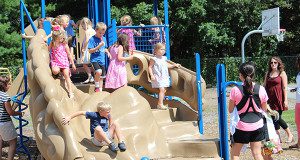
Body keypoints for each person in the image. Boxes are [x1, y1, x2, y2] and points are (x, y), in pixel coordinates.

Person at [228, 62, 268, 160]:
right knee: (257, 154)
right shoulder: (261, 89)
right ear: (253, 75)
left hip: (241, 126)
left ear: (240, 75)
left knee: (235, 154)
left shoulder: (235, 90)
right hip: (258, 125)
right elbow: (264, 109)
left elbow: (230, 110)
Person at [61, 102, 126, 152]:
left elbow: (111, 123)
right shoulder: (94, 115)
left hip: (107, 136)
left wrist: (112, 133)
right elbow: (81, 112)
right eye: (107, 111)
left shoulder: (108, 115)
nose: (109, 113)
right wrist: (69, 117)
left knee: (116, 123)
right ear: (101, 111)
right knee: (98, 128)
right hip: (98, 140)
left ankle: (121, 143)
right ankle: (111, 144)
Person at [263, 56, 293, 143]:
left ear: (278, 63)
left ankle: (289, 134)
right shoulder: (268, 73)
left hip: (278, 98)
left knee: (277, 117)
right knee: (274, 118)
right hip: (269, 99)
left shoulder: (282, 73)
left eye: (275, 62)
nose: (273, 64)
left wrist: (285, 100)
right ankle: (278, 137)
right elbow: (264, 85)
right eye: (271, 62)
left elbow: (284, 87)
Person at [148, 43, 180, 109]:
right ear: (156, 50)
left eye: (164, 49)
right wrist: (151, 75)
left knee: (164, 90)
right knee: (162, 90)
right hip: (158, 77)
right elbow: (150, 67)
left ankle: (160, 103)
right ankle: (160, 104)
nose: (163, 51)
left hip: (164, 76)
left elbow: (166, 66)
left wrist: (174, 65)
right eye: (161, 49)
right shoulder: (154, 59)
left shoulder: (164, 58)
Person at [0, 76, 24, 160]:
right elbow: (10, 112)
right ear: (4, 85)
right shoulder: (4, 96)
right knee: (13, 141)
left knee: (0, 139)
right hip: (4, 122)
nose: (10, 85)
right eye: (9, 84)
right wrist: (19, 113)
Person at [48, 30, 76, 98]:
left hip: (64, 62)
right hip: (56, 62)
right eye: (60, 38)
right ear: (55, 38)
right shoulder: (52, 43)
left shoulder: (64, 44)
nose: (62, 39)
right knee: (55, 71)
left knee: (67, 75)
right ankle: (59, 73)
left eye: (62, 38)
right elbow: (48, 50)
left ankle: (70, 91)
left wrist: (73, 64)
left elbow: (69, 54)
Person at [88, 22, 111, 92]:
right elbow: (90, 51)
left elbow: (105, 48)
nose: (101, 35)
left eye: (103, 33)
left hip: (102, 60)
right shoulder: (92, 39)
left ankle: (100, 90)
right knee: (98, 71)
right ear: (96, 30)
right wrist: (98, 46)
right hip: (94, 59)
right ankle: (96, 86)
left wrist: (108, 52)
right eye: (100, 33)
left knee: (102, 77)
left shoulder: (104, 39)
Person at [80, 17, 96, 84]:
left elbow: (86, 40)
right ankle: (95, 77)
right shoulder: (94, 31)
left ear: (85, 24)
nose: (83, 28)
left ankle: (90, 76)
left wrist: (83, 48)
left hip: (87, 49)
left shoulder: (87, 31)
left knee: (84, 64)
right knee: (93, 63)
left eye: (82, 26)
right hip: (93, 48)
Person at [289, 55, 300, 149]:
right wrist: (296, 88)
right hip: (298, 101)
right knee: (298, 122)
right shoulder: (299, 73)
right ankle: (299, 143)